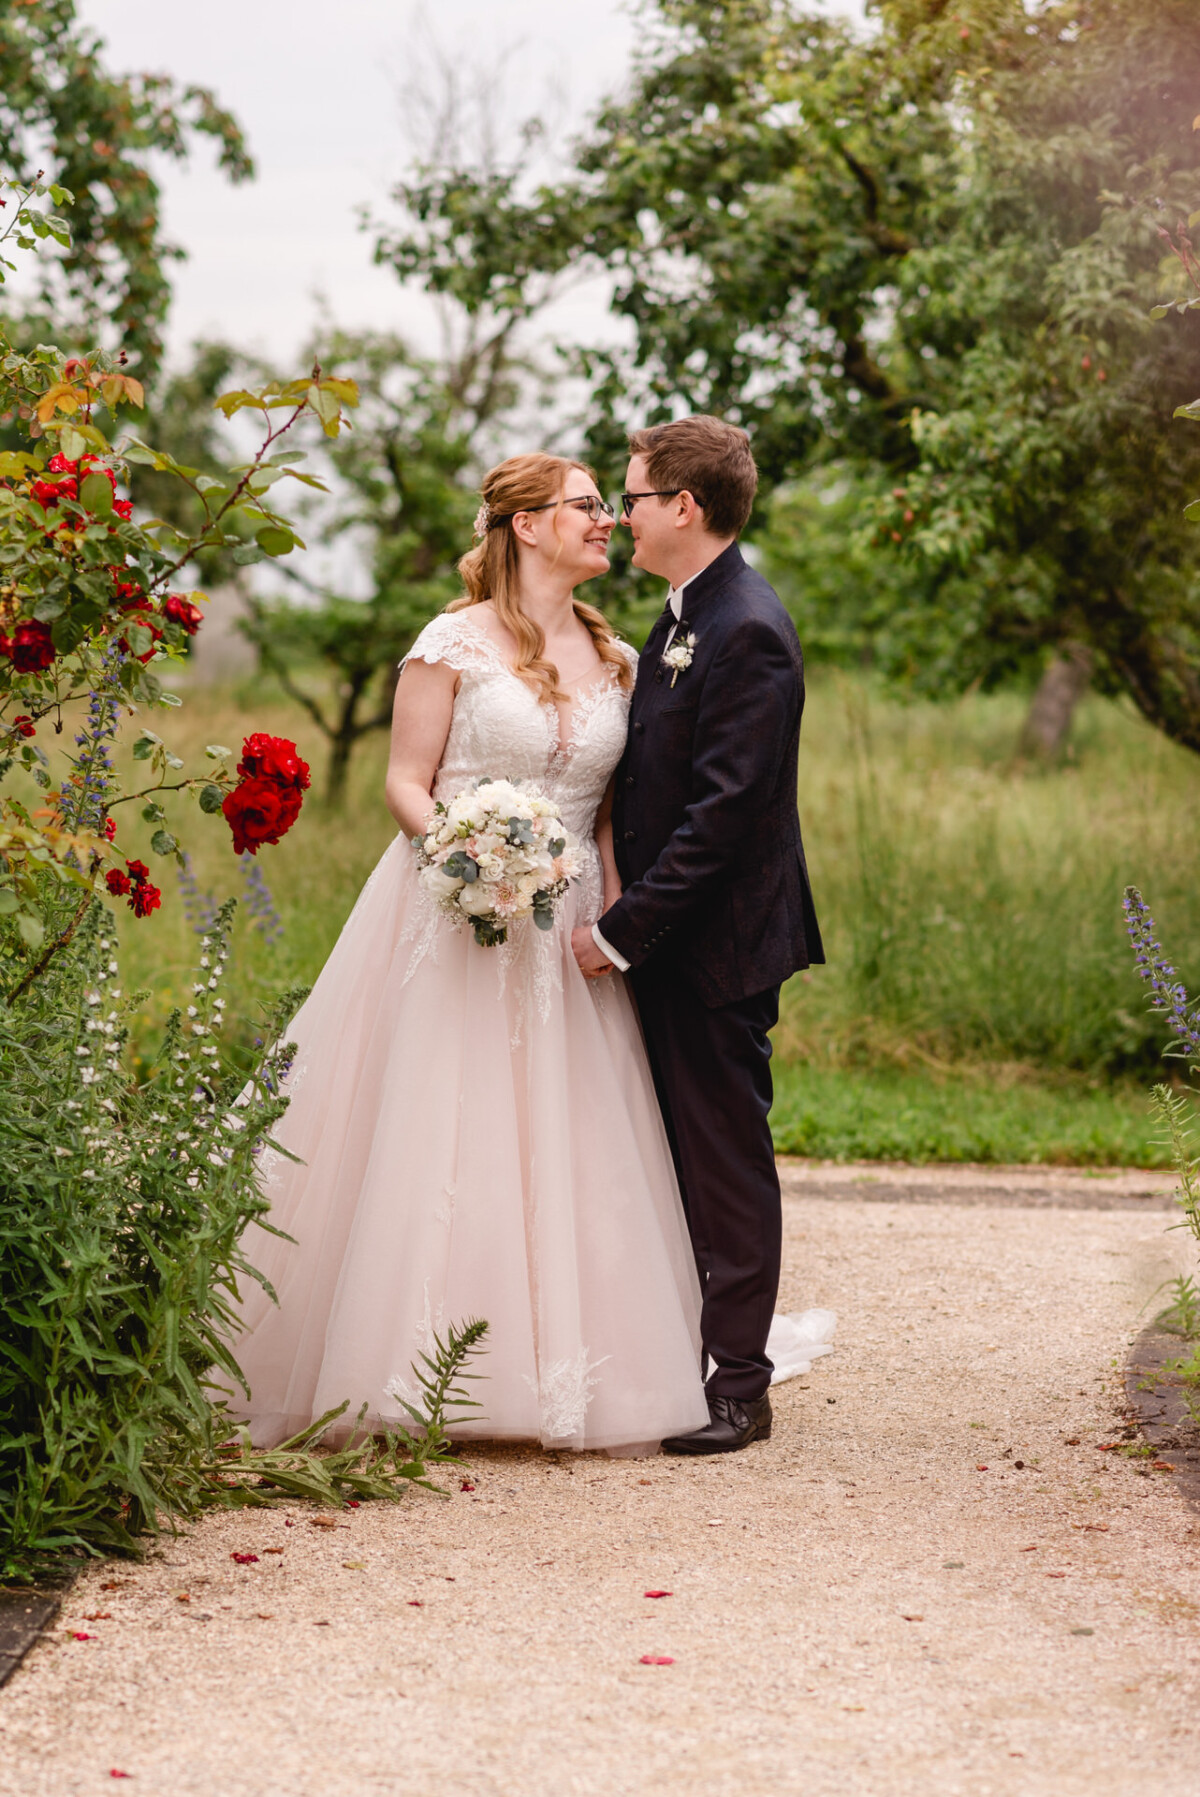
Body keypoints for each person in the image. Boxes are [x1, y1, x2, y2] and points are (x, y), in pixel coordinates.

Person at [230, 452, 712, 1454]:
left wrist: (614, 912)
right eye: (587, 507)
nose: (606, 523)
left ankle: (552, 1372)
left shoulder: (616, 653)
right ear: (527, 525)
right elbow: (408, 782)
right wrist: (464, 851)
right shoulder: (449, 643)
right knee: (435, 1126)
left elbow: (612, 813)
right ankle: (401, 1367)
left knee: (562, 1136)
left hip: (570, 917)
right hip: (454, 903)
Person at [574, 415, 824, 1455]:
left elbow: (723, 814)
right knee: (672, 1156)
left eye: (630, 497)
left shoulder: (746, 627)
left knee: (722, 1162)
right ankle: (686, 1359)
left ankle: (741, 1390)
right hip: (672, 943)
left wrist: (622, 928)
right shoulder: (683, 615)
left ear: (684, 505)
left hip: (712, 951)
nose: (618, 516)